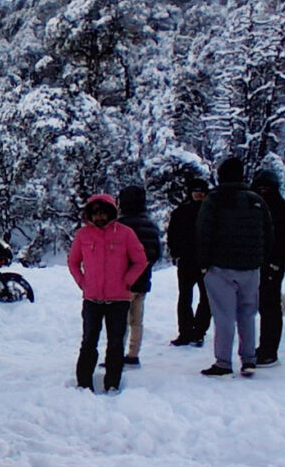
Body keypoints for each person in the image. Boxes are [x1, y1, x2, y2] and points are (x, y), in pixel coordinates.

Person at [66, 194, 150, 392]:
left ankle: (112, 384)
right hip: (92, 299)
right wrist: (82, 282)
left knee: (115, 344)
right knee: (88, 342)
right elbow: (73, 262)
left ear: (111, 213)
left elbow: (140, 260)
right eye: (95, 214)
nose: (99, 217)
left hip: (118, 299)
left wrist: (128, 281)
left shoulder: (125, 233)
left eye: (103, 213)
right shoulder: (83, 235)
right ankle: (84, 384)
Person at [195, 157, 269, 377]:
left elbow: (203, 233)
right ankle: (249, 359)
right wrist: (261, 260)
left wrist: (203, 264)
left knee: (224, 315)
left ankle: (223, 362)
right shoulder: (256, 200)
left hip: (221, 266)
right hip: (251, 267)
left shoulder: (215, 200)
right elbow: (268, 232)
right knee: (248, 313)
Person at [252, 170, 285, 365]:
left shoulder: (284, 210)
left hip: (272, 264)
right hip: (254, 262)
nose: (263, 190)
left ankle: (269, 350)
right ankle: (263, 348)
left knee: (270, 306)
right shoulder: (253, 206)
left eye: (267, 187)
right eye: (260, 187)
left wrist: (276, 260)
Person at [115, 184, 163, 367]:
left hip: (121, 281)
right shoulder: (150, 225)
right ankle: (133, 354)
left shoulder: (119, 226)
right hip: (142, 280)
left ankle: (116, 352)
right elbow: (156, 253)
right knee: (137, 319)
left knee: (119, 320)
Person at [166, 177, 211, 346]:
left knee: (206, 298)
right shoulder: (180, 212)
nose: (198, 194)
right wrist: (176, 253)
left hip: (207, 261)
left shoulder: (212, 211)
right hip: (186, 260)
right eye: (195, 190)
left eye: (201, 191)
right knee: (185, 297)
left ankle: (199, 331)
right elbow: (172, 234)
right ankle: (185, 331)